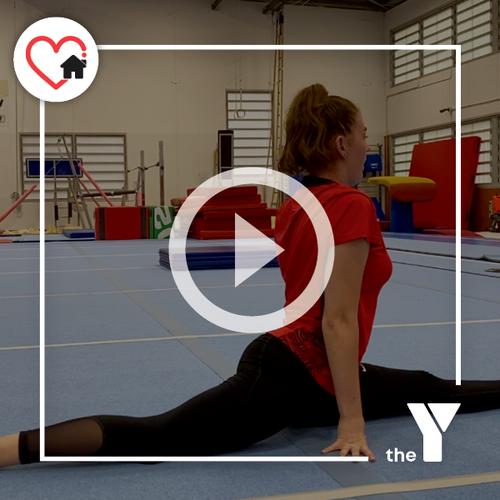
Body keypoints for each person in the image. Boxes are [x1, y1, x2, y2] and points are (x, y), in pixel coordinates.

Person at [1, 83, 499, 467]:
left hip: (314, 370)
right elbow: (338, 319)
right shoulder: (349, 205)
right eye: (364, 134)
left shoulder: (300, 201)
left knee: (426, 387)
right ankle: (9, 449)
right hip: (290, 372)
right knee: (160, 435)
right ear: (342, 143)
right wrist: (352, 422)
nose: (368, 145)